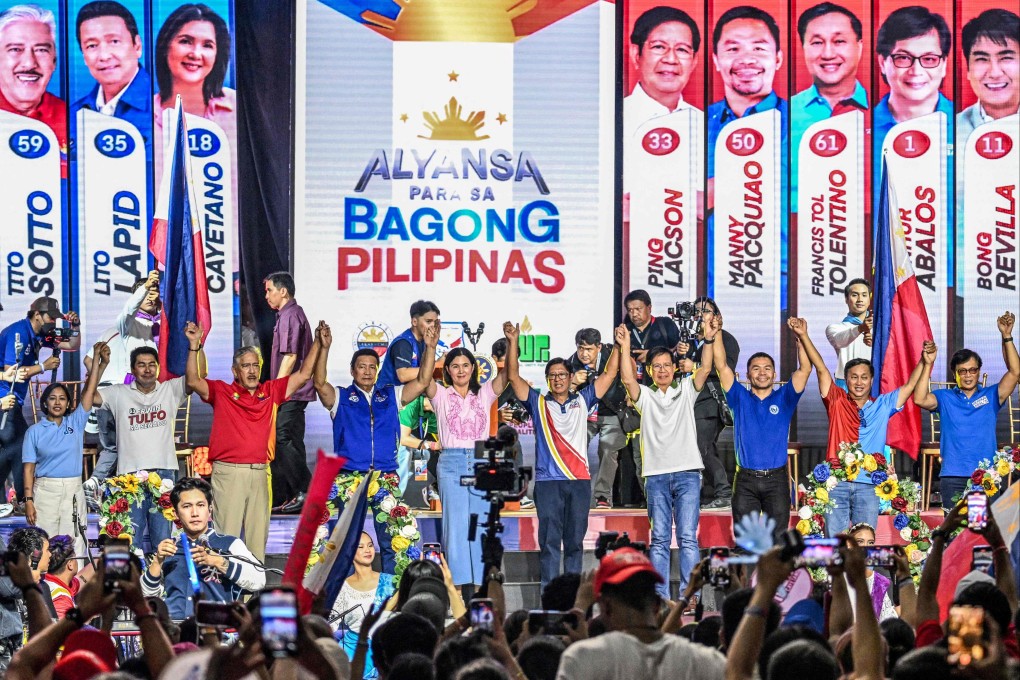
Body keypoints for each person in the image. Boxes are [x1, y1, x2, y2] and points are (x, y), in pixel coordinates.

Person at [184, 320, 320, 561]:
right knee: (226, 537)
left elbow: (304, 374)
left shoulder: (270, 391)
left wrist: (319, 344)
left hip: (259, 472)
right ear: (235, 371)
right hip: (229, 474)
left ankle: (253, 592)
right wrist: (194, 346)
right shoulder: (222, 391)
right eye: (245, 366)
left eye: (255, 366)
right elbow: (193, 382)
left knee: (258, 539)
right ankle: (226, 593)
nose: (251, 371)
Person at [504, 321, 620, 587]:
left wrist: (621, 346)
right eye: (553, 375)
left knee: (575, 544)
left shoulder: (583, 399)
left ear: (570, 378)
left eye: (562, 375)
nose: (557, 379)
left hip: (578, 482)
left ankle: (572, 598)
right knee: (549, 543)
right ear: (548, 379)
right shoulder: (538, 402)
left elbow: (609, 375)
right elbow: (512, 376)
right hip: (547, 484)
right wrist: (513, 342)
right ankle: (549, 599)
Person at [313, 322, 436, 573]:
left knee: (398, 541)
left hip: (384, 476)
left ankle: (393, 598)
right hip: (349, 477)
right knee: (336, 540)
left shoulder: (391, 396)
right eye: (362, 367)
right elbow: (318, 383)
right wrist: (323, 348)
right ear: (352, 370)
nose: (367, 372)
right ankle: (341, 595)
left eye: (372, 367)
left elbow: (423, 380)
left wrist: (430, 348)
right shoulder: (341, 397)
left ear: (378, 370)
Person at [795, 319, 925, 533]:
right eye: (853, 377)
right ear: (845, 379)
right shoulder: (836, 400)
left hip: (868, 486)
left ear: (871, 380)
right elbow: (820, 369)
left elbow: (910, 385)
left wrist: (925, 362)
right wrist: (804, 335)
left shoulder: (883, 405)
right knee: (835, 544)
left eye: (864, 377)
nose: (859, 382)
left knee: (864, 544)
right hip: (836, 484)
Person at [616, 321, 714, 600]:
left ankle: (689, 595)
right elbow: (627, 380)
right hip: (656, 475)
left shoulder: (685, 390)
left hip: (687, 474)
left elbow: (705, 369)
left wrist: (707, 340)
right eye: (656, 366)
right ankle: (658, 596)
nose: (662, 370)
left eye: (666, 365)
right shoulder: (644, 396)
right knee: (659, 539)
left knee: (686, 537)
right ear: (649, 370)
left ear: (674, 367)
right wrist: (624, 348)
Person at [556, 547, 726, 679]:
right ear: (657, 605)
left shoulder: (582, 659)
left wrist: (579, 607)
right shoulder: (707, 662)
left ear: (604, 607)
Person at [423, 339, 509, 587]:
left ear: (474, 368)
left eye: (465, 365)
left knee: (482, 525)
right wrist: (429, 347)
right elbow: (424, 376)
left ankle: (483, 587)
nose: (460, 370)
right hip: (451, 462)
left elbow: (508, 376)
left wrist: (512, 343)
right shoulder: (440, 394)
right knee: (456, 527)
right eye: (455, 366)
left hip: (480, 460)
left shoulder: (484, 393)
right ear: (447, 370)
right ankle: (458, 590)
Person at [718, 318, 811, 545]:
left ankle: (776, 581)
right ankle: (748, 581)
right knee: (745, 543)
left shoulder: (785, 397)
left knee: (778, 543)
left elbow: (805, 369)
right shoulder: (738, 397)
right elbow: (721, 366)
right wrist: (716, 333)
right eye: (756, 369)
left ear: (774, 373)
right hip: (745, 481)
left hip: (777, 480)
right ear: (748, 374)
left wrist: (801, 337)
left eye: (767, 368)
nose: (762, 373)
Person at [913, 312, 1019, 508]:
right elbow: (919, 398)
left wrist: (1006, 336)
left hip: (984, 476)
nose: (968, 375)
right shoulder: (945, 397)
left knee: (977, 531)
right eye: (962, 371)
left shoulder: (991, 396)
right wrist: (928, 363)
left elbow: (1015, 372)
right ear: (954, 373)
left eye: (972, 370)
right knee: (955, 533)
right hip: (952, 476)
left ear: (979, 371)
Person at [89, 345, 186, 553]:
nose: (147, 369)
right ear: (133, 370)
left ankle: (160, 583)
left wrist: (195, 345)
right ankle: (131, 584)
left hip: (163, 475)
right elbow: (88, 399)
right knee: (128, 540)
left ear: (159, 368)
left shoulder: (170, 389)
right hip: (128, 478)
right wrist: (101, 364)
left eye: (152, 365)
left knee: (164, 541)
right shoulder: (118, 393)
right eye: (141, 365)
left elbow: (197, 377)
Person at [81, 272, 162, 503]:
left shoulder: (148, 331)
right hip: (117, 395)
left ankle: (102, 487)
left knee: (116, 448)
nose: (151, 299)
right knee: (127, 448)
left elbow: (89, 361)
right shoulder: (127, 324)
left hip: (113, 395)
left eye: (154, 296)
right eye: (146, 295)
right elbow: (129, 309)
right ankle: (102, 484)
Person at [22, 341, 105, 556]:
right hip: (45, 491)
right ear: (45, 403)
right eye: (52, 398)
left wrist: (96, 360)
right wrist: (29, 501)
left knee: (74, 543)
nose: (57, 402)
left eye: (62, 398)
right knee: (43, 544)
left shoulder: (75, 422)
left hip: (72, 490)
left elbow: (89, 392)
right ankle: (46, 587)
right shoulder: (34, 431)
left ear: (68, 404)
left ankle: (74, 587)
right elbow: (29, 470)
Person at [142, 477, 265, 620]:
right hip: (175, 633)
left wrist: (219, 562)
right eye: (186, 506)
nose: (194, 513)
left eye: (200, 505)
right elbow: (145, 596)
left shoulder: (230, 544)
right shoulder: (169, 548)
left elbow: (259, 579)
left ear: (210, 509)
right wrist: (157, 561)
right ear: (175, 513)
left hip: (218, 631)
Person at [152, 3, 236, 214]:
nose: (196, 53)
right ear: (165, 46)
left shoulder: (238, 109)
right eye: (185, 41)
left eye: (207, 45)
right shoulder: (143, 116)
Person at [1, 297, 82, 511]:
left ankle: (19, 499)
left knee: (22, 445)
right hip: (3, 400)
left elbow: (72, 345)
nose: (53, 322)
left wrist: (75, 326)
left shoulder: (39, 334)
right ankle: (18, 499)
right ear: (37, 314)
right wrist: (43, 367)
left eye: (56, 318)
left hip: (14, 402)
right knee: (15, 447)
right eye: (50, 317)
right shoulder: (18, 333)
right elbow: (11, 374)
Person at [623, 6, 703, 220]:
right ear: (636, 53)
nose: (671, 59)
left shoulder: (708, 128)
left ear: (694, 61)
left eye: (683, 50)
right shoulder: (609, 120)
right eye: (659, 47)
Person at [708, 6, 787, 219]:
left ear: (778, 59)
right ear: (716, 60)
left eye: (759, 49)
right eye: (733, 49)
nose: (747, 59)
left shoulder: (799, 123)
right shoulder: (695, 123)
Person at [791, 3, 867, 209]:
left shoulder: (884, 112)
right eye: (816, 42)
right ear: (803, 48)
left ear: (859, 46)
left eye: (839, 41)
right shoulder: (783, 115)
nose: (828, 53)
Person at [956, 9, 1020, 237]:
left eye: (1006, 58)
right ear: (968, 71)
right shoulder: (946, 136)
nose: (994, 72)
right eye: (982, 59)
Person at [873, 7, 954, 169]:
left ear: (944, 65)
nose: (916, 71)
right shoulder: (859, 130)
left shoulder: (965, 127)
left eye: (929, 59)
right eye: (903, 58)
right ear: (882, 63)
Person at [678, 297, 739, 509]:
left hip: (711, 402)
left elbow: (726, 370)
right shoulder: (695, 342)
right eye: (697, 312)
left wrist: (693, 365)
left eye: (706, 311)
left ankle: (724, 492)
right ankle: (707, 493)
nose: (700, 315)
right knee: (699, 448)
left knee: (702, 447)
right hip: (694, 402)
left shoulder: (726, 339)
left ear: (716, 315)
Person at [70, 0, 153, 154]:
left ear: (137, 46)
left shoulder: (163, 107)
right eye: (92, 46)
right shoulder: (72, 115)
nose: (104, 56)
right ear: (83, 56)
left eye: (114, 41)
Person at [263, 271, 314, 514]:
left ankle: (308, 489)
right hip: (294, 390)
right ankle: (290, 495)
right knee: (292, 439)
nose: (266, 296)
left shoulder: (290, 315)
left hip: (291, 391)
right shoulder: (288, 314)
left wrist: (278, 391)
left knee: (281, 438)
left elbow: (291, 356)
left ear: (283, 291)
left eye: (269, 290)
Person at [566, 328, 629, 509]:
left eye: (589, 349)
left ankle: (603, 496)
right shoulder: (570, 364)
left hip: (611, 412)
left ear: (599, 347)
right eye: (580, 348)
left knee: (608, 449)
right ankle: (574, 493)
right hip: (584, 416)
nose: (584, 354)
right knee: (575, 447)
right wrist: (573, 383)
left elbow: (629, 373)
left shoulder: (612, 356)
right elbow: (561, 396)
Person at [0, 4, 67, 173]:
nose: (29, 63)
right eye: (15, 49)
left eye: (41, 50)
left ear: (55, 61)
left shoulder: (74, 120)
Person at [330, 532, 396, 676]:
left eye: (370, 545)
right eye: (361, 547)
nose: (367, 550)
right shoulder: (342, 588)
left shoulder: (391, 582)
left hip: (387, 651)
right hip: (354, 654)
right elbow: (331, 623)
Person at [378, 300, 441, 387]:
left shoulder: (424, 341)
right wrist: (437, 365)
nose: (433, 326)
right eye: (428, 321)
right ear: (414, 322)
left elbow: (424, 370)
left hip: (406, 395)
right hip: (387, 396)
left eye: (435, 322)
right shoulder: (403, 343)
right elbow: (403, 375)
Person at [825, 278, 872, 389]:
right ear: (846, 299)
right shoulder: (835, 328)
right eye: (855, 295)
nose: (860, 299)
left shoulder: (881, 329)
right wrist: (860, 328)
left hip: (873, 385)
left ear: (869, 298)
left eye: (864, 295)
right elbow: (839, 341)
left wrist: (877, 343)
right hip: (845, 386)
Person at [41, 534, 90, 619]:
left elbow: (82, 578)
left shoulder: (49, 581)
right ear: (70, 564)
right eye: (75, 558)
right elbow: (64, 630)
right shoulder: (61, 598)